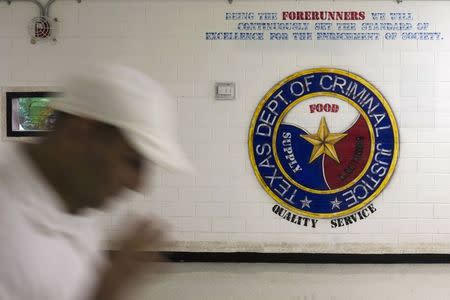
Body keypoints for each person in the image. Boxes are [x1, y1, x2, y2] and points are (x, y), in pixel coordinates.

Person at [0, 66, 192, 300]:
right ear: (79, 133)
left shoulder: (74, 203)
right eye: (133, 161)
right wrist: (109, 288)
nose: (139, 185)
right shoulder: (9, 235)